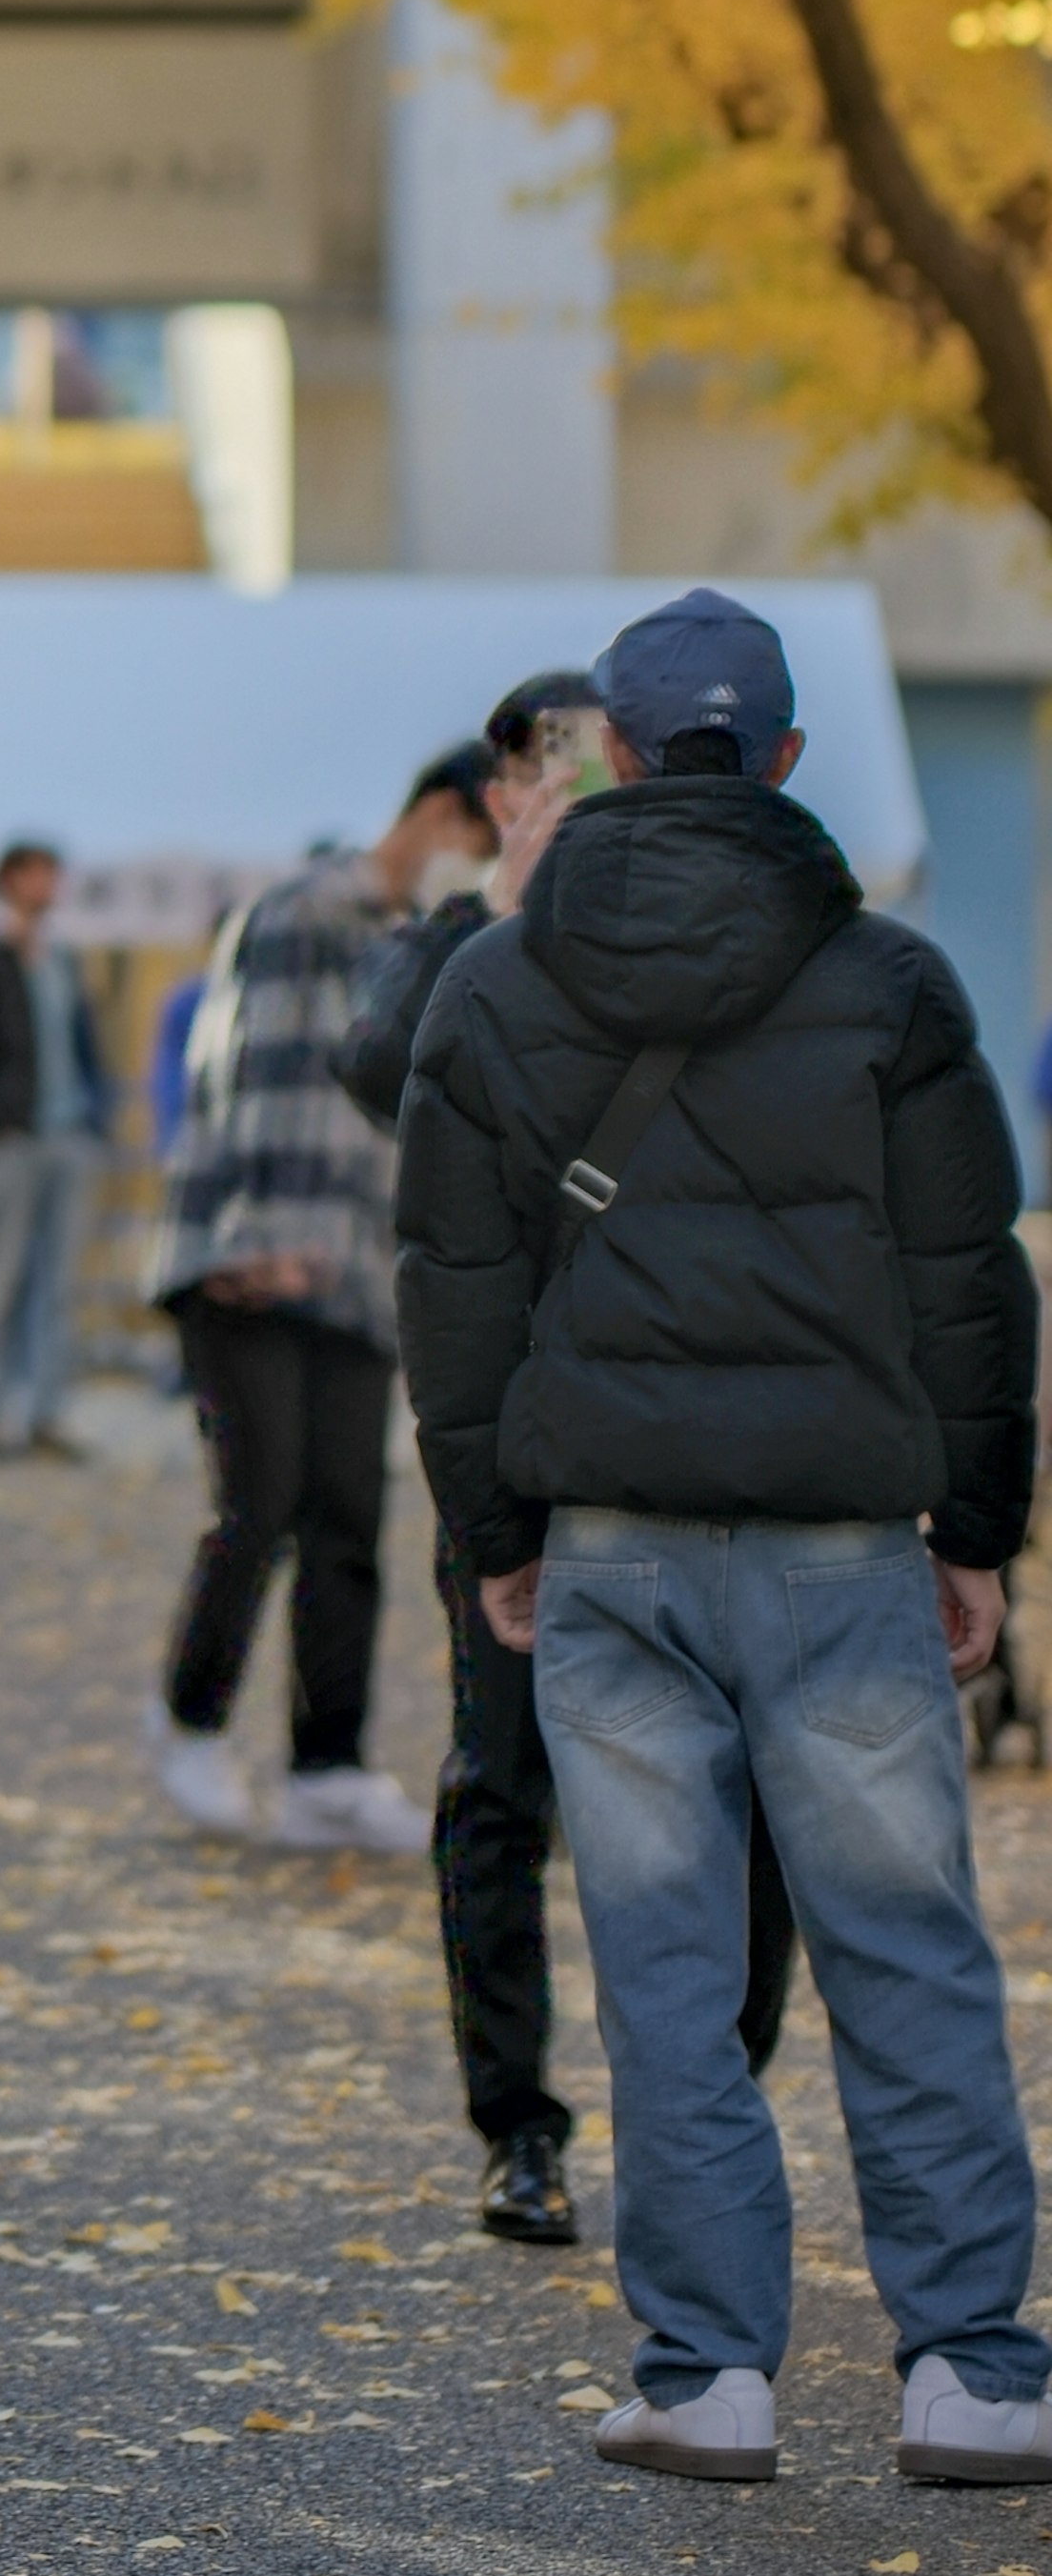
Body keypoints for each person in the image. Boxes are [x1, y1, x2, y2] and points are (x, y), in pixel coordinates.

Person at [398, 588, 1050, 2488]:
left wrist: (492, 1533)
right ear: (782, 758)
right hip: (846, 1536)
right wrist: (985, 1526)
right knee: (907, 1947)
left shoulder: (496, 991)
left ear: (607, 749)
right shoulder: (894, 980)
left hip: (611, 1541)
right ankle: (973, 2367)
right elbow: (968, 1280)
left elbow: (455, 1290)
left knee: (667, 1962)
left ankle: (709, 2370)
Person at [339, 666, 796, 2245]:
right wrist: (499, 896)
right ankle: (515, 2124)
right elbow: (375, 1066)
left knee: (738, 1794)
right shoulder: (487, 932)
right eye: (546, 779)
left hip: (705, 1425)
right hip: (520, 1434)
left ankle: (715, 2095)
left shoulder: (707, 920)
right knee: (500, 1784)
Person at [149, 742, 498, 1852]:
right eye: (484, 842)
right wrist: (263, 1239)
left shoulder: (430, 943)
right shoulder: (305, 909)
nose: (484, 870)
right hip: (250, 1257)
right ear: (444, 814)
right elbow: (252, 1071)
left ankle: (327, 1765)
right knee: (261, 1500)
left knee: (349, 1512)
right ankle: (190, 1723)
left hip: (357, 1263)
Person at [0, 840, 113, 1459]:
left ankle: (47, 1411)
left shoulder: (61, 960)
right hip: (13, 1141)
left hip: (68, 1138)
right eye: (39, 872)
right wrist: (2, 1119)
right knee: (2, 1279)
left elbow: (85, 1042)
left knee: (61, 1283)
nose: (49, 883)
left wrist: (94, 1119)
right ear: (12, 879)